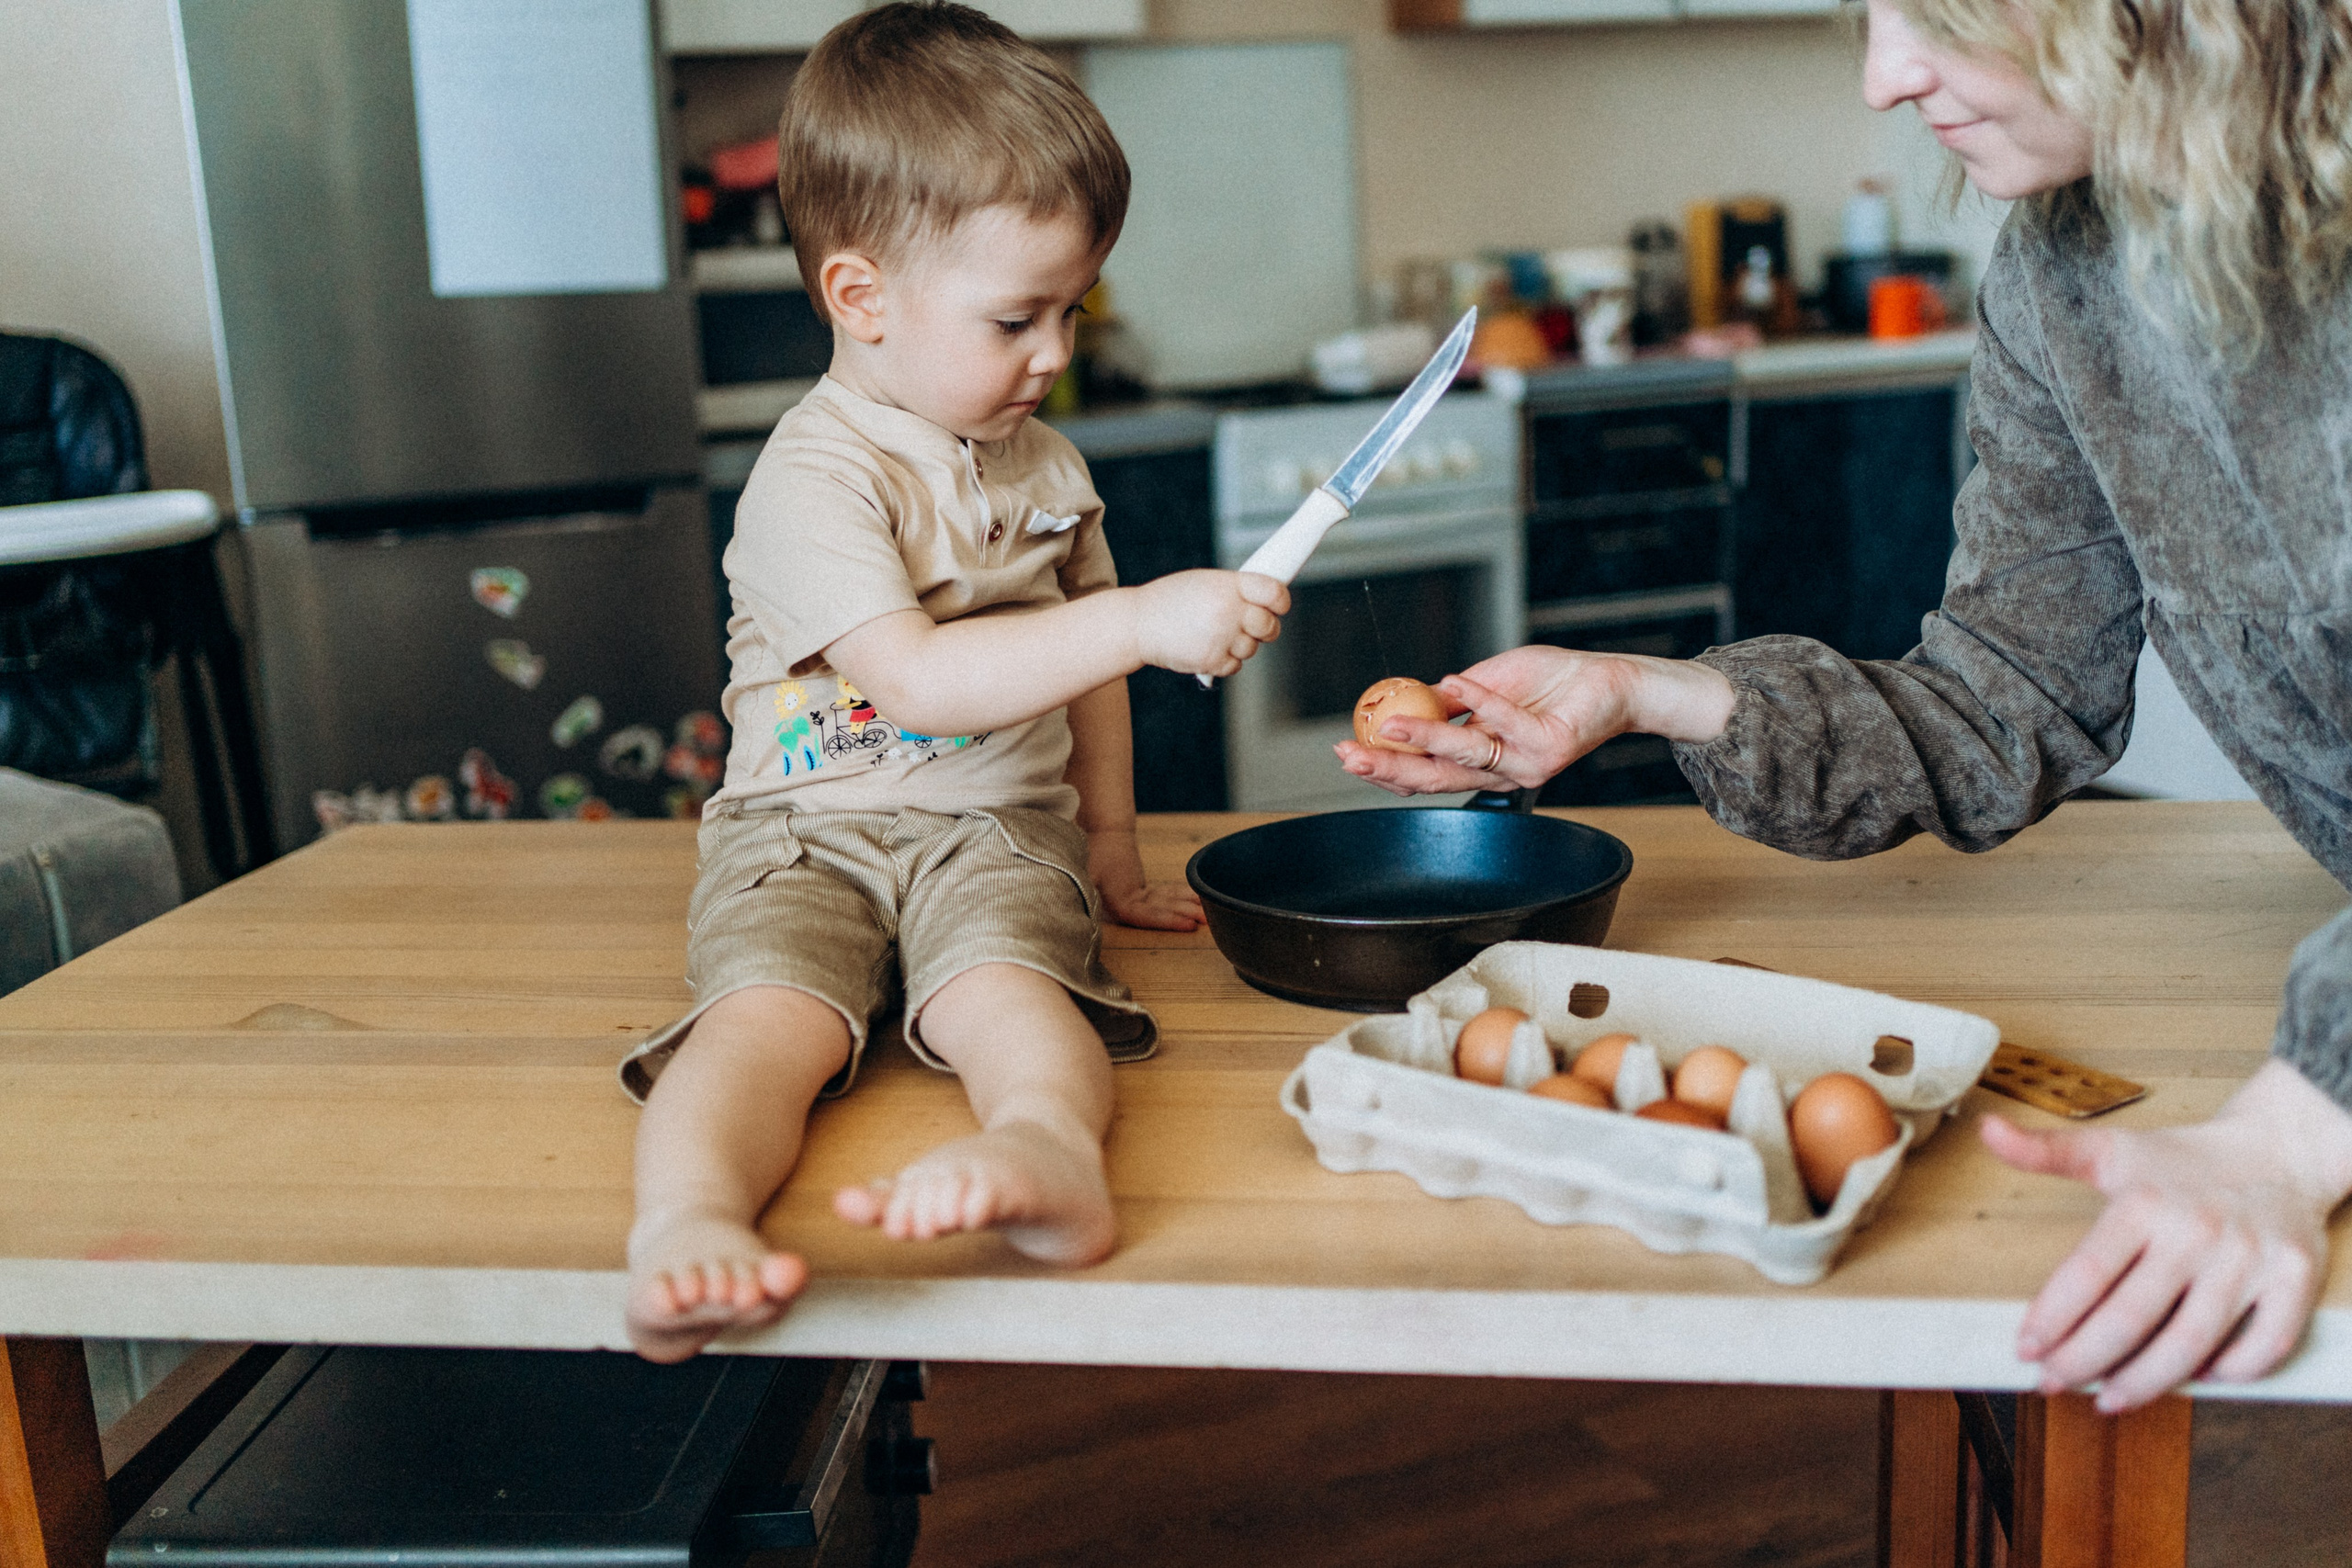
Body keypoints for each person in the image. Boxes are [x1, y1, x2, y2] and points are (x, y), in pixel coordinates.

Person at [1340, 0, 2352, 1413]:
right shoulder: (2063, 272)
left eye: (1938, 14)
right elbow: (2001, 699)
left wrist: (2300, 1132)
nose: (1884, 78)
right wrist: (1647, 694)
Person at [620, 2, 1287, 1362]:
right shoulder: (816, 479)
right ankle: (686, 1224)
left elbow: (1086, 675)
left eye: (1071, 309)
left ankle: (1047, 1150)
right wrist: (1147, 621)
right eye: (1014, 316)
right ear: (861, 298)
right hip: (799, 835)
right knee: (764, 1024)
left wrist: (1108, 844)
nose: (1053, 351)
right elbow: (920, 678)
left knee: (1012, 995)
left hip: (993, 831)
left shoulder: (1046, 468)